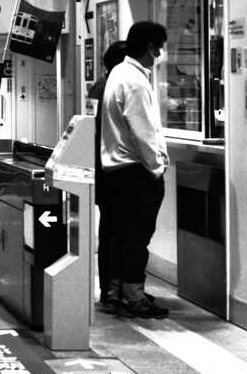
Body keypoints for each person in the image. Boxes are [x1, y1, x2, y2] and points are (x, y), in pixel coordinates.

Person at [101, 21, 170, 318]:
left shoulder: (119, 73)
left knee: (119, 234)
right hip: (135, 172)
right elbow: (143, 132)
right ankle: (133, 296)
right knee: (136, 237)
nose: (161, 54)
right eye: (160, 48)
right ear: (151, 48)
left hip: (115, 171)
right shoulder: (137, 82)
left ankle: (116, 291)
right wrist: (156, 168)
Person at [87, 40, 127, 311]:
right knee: (118, 232)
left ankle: (107, 290)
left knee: (108, 230)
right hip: (115, 170)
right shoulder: (114, 87)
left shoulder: (98, 87)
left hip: (100, 169)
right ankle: (114, 290)